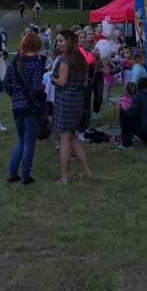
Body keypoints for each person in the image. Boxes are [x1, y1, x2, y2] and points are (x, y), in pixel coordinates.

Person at [2, 32, 46, 185]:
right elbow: (35, 89)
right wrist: (42, 96)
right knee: (29, 142)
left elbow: (6, 85)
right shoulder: (36, 64)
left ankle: (12, 172)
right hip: (31, 108)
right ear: (37, 46)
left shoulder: (15, 62)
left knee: (21, 140)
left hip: (17, 107)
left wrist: (16, 97)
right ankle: (25, 175)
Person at [51, 29, 93, 184]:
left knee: (65, 139)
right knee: (73, 137)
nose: (58, 43)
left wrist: (52, 78)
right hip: (77, 100)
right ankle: (87, 170)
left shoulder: (65, 59)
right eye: (57, 40)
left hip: (65, 101)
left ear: (69, 42)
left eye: (61, 41)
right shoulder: (80, 58)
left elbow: (62, 82)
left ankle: (64, 177)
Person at [117, 77, 147, 149]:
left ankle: (127, 144)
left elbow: (130, 113)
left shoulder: (139, 96)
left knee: (123, 114)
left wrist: (124, 107)